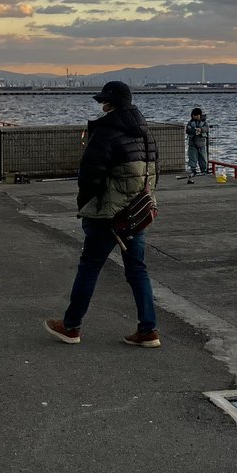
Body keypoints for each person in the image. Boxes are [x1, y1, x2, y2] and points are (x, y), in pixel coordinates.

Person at [44, 80, 161, 348]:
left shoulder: (106, 131)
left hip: (106, 215)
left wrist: (85, 205)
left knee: (90, 267)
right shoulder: (145, 133)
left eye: (103, 101)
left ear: (112, 103)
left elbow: (90, 176)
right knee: (137, 270)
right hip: (136, 213)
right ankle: (148, 329)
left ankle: (71, 327)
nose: (101, 105)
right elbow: (154, 172)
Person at [185, 106, 209, 179]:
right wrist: (193, 131)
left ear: (200, 115)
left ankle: (203, 170)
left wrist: (200, 130)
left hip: (202, 144)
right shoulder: (190, 122)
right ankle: (193, 170)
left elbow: (206, 128)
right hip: (192, 144)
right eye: (194, 116)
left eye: (197, 115)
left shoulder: (204, 122)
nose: (195, 117)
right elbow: (187, 130)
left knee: (203, 158)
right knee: (192, 157)